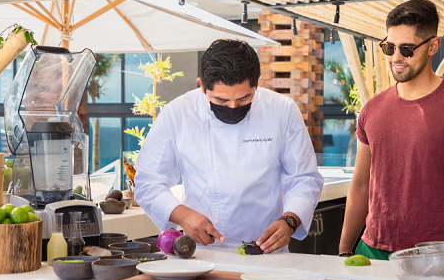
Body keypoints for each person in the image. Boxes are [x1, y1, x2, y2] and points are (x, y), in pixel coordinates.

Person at [338, 0, 444, 259]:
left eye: (407, 49)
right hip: (373, 251)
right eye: (389, 47)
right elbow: (360, 184)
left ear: (433, 46)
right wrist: (344, 249)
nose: (396, 57)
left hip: (440, 255)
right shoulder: (372, 109)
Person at [134, 39, 324, 254]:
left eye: (244, 98)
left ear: (257, 83)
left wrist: (290, 220)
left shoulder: (282, 110)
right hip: (199, 251)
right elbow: (148, 182)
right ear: (201, 85)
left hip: (266, 251)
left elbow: (304, 178)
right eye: (221, 101)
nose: (233, 108)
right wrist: (183, 215)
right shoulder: (178, 113)